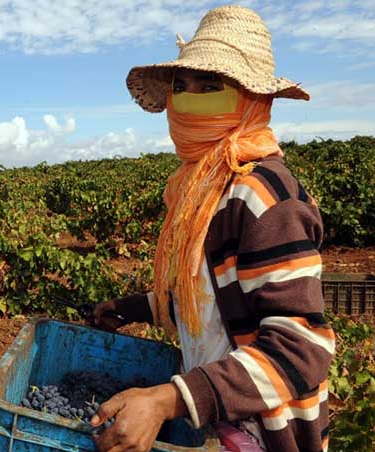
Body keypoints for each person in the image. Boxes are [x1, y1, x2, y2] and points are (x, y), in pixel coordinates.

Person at [91, 6, 334, 452]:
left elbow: (300, 349)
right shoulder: (203, 191)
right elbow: (213, 295)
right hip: (219, 425)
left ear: (252, 101)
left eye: (211, 88)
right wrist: (136, 308)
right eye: (181, 88)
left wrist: (171, 398)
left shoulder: (262, 197)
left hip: (263, 433)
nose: (188, 101)